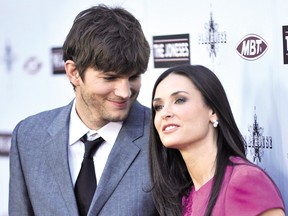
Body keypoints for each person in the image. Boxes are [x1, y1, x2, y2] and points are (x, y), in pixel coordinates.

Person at [9, 5, 158, 216]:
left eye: (133, 77)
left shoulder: (162, 136)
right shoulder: (28, 137)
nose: (125, 92)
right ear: (74, 73)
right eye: (110, 77)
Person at [149, 64, 285, 216]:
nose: (164, 113)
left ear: (213, 111)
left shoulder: (244, 180)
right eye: (158, 106)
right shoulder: (184, 195)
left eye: (180, 100)